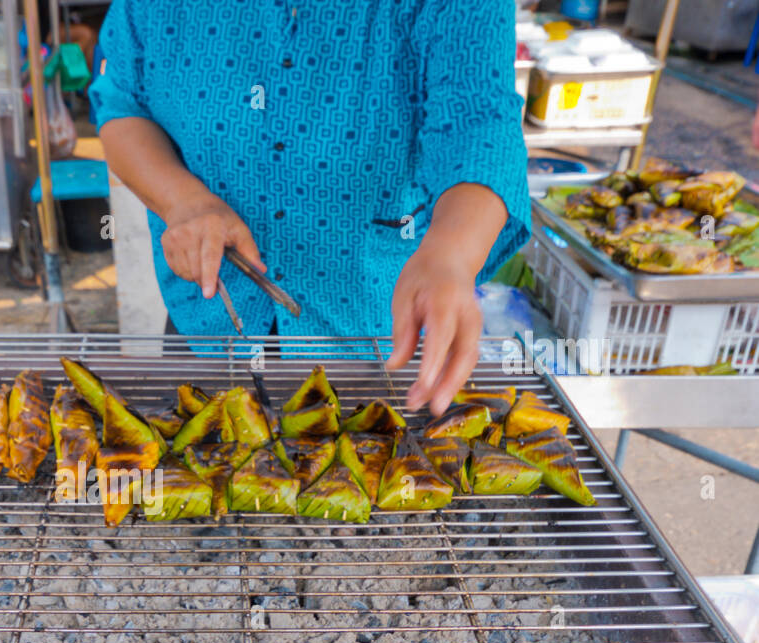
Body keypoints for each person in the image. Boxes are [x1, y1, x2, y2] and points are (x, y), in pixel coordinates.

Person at [89, 0, 530, 416]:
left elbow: (480, 122)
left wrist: (451, 254)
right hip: (211, 318)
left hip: (376, 331)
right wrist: (184, 201)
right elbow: (123, 103)